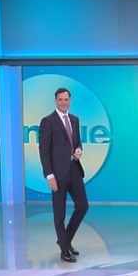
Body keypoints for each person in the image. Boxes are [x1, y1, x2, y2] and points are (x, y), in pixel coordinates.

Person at [39, 87, 88, 263]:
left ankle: (64, 241)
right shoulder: (48, 121)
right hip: (57, 174)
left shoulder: (74, 119)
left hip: (74, 169)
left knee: (82, 206)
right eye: (60, 99)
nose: (63, 102)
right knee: (59, 213)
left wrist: (79, 149)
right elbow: (44, 151)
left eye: (66, 99)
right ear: (55, 101)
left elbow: (77, 142)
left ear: (70, 101)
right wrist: (49, 175)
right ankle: (65, 250)